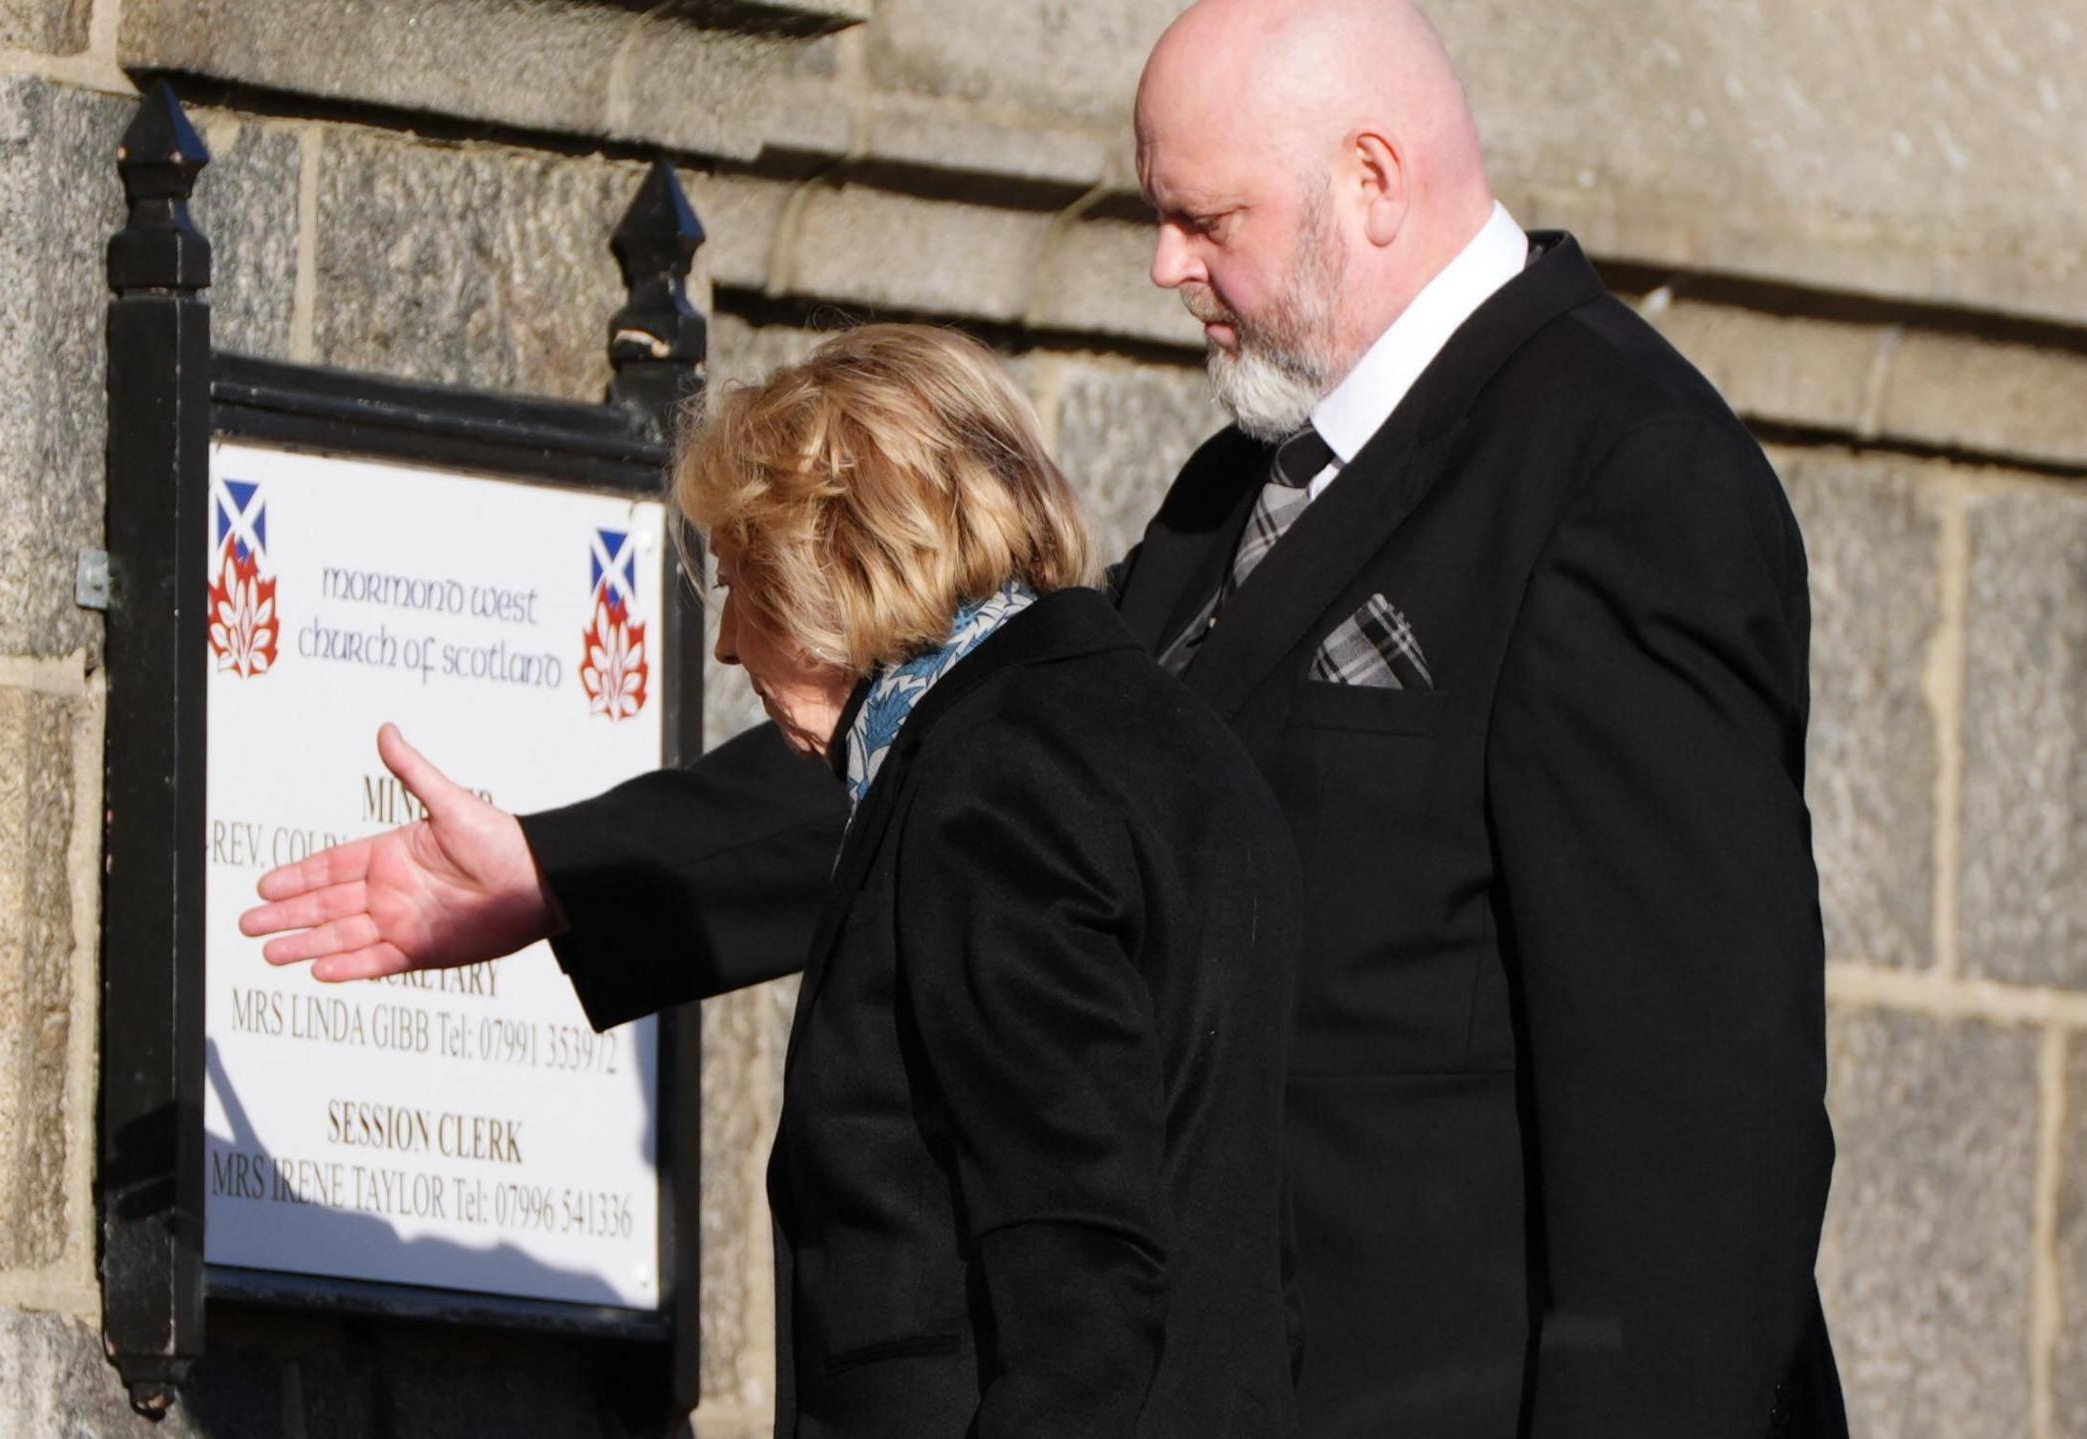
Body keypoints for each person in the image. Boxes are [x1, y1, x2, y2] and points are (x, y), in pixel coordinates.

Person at [247, 0, 1847, 1433]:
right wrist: (566, 869)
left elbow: (1696, 1125)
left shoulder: (1623, 475)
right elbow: (996, 774)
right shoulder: (1251, 487)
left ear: (1372, 180)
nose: (1163, 265)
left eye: (1200, 216)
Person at [251, 326, 1301, 1437]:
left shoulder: (991, 788)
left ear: (835, 557)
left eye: (740, 579)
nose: (728, 645)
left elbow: (1079, 1272)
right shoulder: (1161, 742)